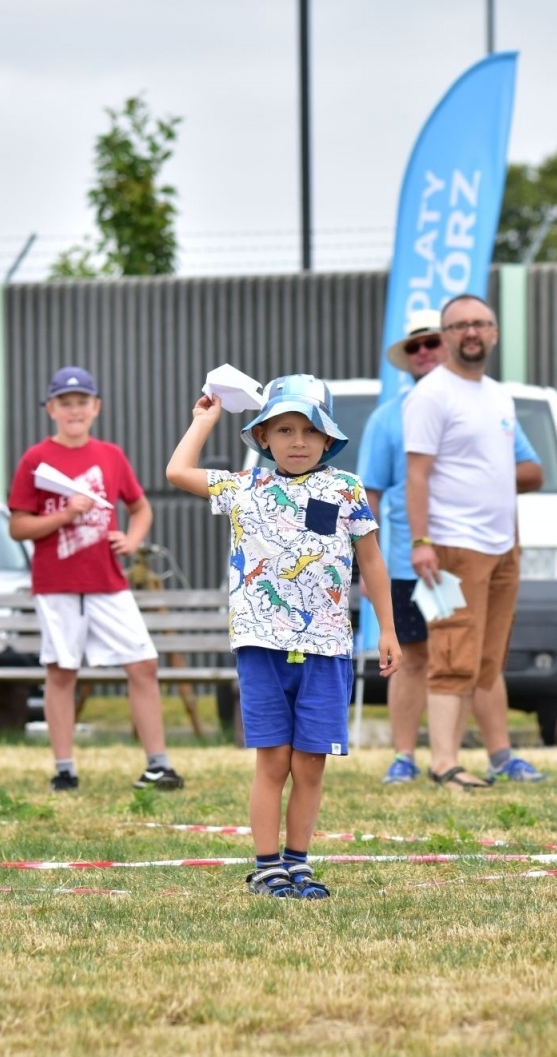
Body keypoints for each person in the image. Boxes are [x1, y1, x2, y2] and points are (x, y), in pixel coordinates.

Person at [167, 374, 399, 898]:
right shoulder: (244, 488)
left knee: (310, 763)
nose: (298, 442)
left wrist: (387, 629)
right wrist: (203, 421)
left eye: (310, 431)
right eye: (285, 429)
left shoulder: (346, 489)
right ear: (263, 437)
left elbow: (372, 561)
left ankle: (298, 863)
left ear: (328, 439)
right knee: (273, 760)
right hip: (261, 647)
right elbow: (177, 472)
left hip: (327, 648)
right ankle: (267, 866)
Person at [359, 309, 545, 785]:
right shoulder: (392, 415)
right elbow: (370, 494)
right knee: (417, 659)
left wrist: (484, 475)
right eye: (416, 346)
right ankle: (408, 755)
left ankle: (497, 752)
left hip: (469, 549)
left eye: (429, 344)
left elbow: (529, 468)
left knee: (475, 653)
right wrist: (367, 564)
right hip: (407, 560)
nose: (424, 352)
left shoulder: (490, 397)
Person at [7, 366, 182, 792]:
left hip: (108, 581)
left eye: (82, 402)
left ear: (96, 407)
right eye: (65, 403)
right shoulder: (36, 458)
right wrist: (65, 514)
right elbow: (17, 526)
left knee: (143, 663)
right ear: (50, 409)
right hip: (57, 583)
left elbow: (140, 508)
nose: (74, 410)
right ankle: (64, 768)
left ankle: (157, 765)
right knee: (62, 671)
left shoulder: (111, 455)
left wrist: (132, 539)